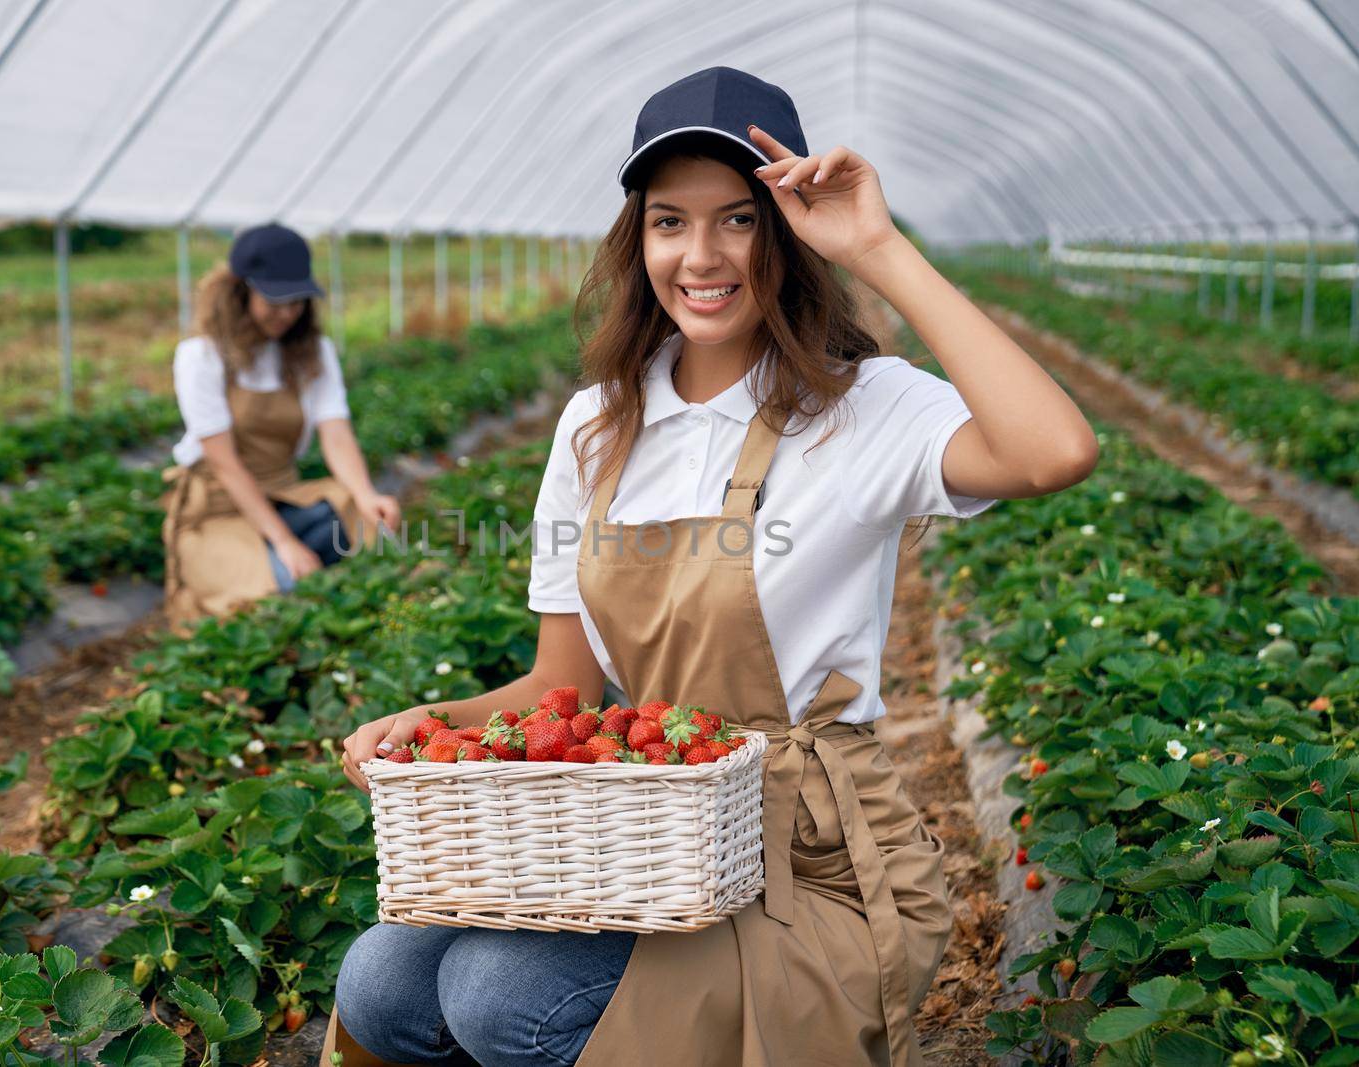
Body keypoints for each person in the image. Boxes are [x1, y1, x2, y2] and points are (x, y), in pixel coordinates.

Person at [324, 66, 1099, 1067]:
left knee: (497, 990)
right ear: (635, 237)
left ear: (786, 231)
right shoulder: (595, 425)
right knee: (380, 984)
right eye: (668, 221)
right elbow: (564, 684)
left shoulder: (858, 407)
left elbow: (1054, 452)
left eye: (737, 219)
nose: (700, 255)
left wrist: (878, 246)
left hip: (802, 853)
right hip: (638, 825)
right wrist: (432, 726)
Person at [160, 223, 399, 628]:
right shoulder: (202, 357)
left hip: (285, 494)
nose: (287, 313)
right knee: (278, 590)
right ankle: (281, 570)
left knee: (370, 530)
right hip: (219, 507)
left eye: (297, 301)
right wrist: (285, 542)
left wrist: (365, 495)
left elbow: (336, 433)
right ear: (240, 293)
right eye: (275, 301)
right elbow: (225, 465)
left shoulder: (312, 353)